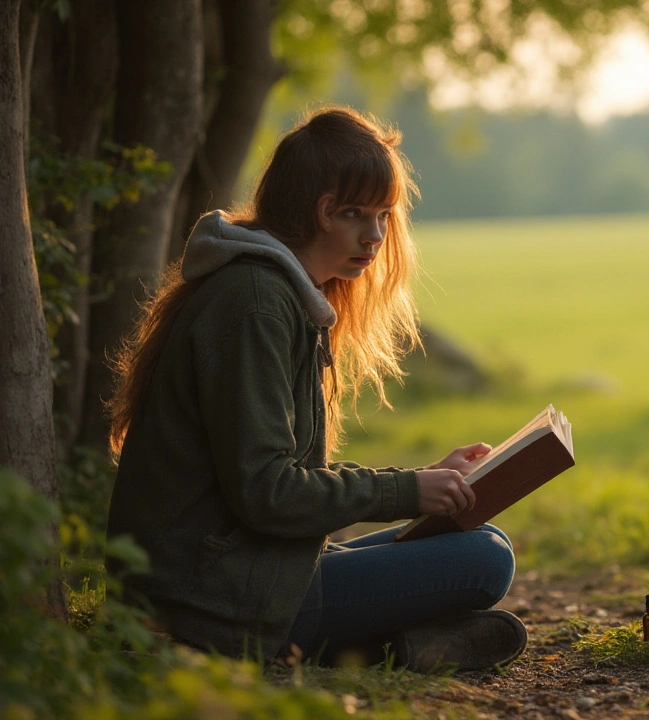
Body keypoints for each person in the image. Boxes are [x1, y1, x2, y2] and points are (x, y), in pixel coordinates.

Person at [105, 106, 526, 670]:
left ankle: (394, 647)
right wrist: (408, 491)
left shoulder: (278, 294)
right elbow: (268, 491)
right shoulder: (256, 304)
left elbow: (275, 482)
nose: (375, 236)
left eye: (382, 216)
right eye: (355, 214)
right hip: (210, 602)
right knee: (481, 561)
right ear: (319, 212)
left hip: (246, 573)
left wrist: (430, 482)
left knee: (487, 541)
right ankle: (377, 649)